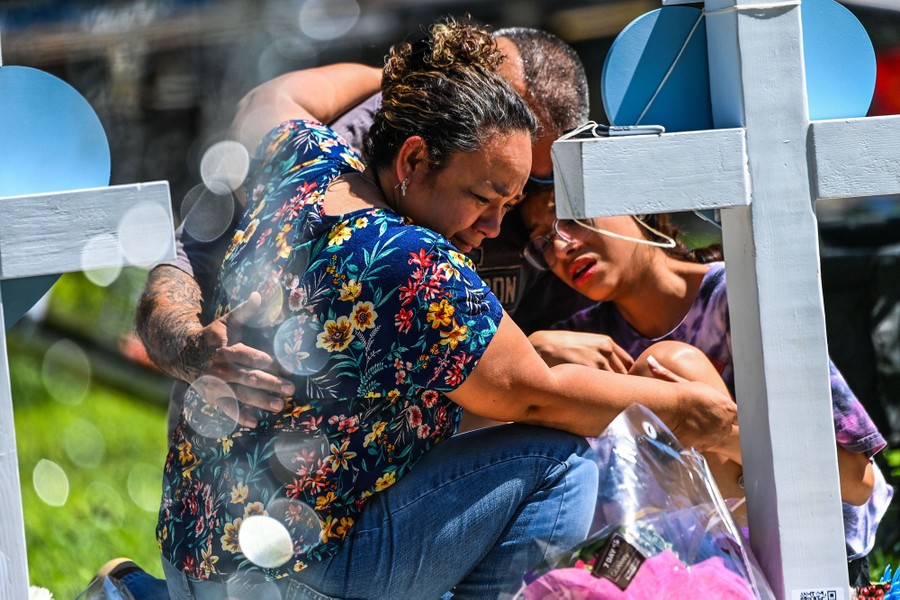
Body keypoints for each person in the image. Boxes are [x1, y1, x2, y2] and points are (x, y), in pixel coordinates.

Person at [140, 17, 736, 599]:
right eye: (482, 198)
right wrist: (685, 407)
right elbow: (534, 393)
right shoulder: (413, 263)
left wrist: (402, 80)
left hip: (194, 556)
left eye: (511, 201)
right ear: (415, 160)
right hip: (288, 580)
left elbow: (273, 98)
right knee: (560, 465)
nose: (496, 226)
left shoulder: (306, 161)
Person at [135, 26, 596, 437]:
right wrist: (194, 353)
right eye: (496, 119)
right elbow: (185, 261)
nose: (504, 220)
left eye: (538, 180)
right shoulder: (339, 154)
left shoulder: (548, 211)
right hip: (259, 456)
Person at [519, 199, 894, 589]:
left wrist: (719, 430)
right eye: (543, 240)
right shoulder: (583, 342)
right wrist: (536, 351)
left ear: (634, 205)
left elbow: (856, 481)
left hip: (814, 558)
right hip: (679, 569)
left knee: (664, 367)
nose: (562, 248)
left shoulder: (739, 296)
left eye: (573, 220)